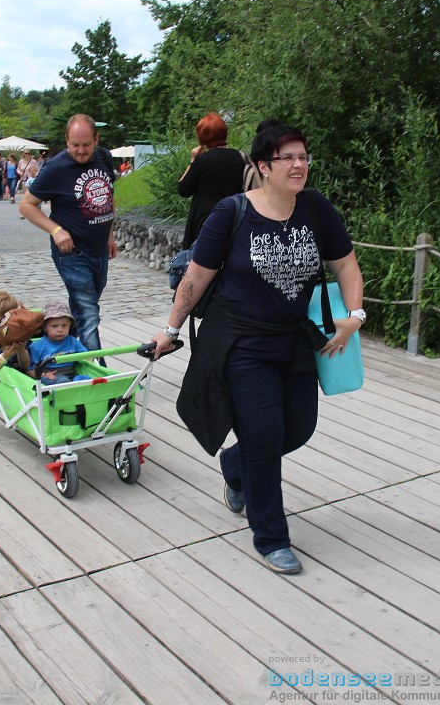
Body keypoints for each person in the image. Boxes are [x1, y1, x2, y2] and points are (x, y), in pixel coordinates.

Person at [149, 121, 366, 576]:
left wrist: (355, 317)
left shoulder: (316, 210)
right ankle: (271, 537)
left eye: (303, 156)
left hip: (296, 337)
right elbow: (197, 277)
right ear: (264, 166)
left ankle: (235, 463)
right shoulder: (231, 213)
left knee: (298, 429)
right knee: (265, 435)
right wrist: (170, 328)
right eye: (287, 157)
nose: (298, 164)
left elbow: (346, 265)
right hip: (241, 340)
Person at [20, 114, 117, 352]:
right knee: (89, 313)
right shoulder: (56, 167)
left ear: (97, 139)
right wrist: (56, 230)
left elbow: (107, 196)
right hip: (72, 253)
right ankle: (97, 374)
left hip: (98, 250)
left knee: (84, 308)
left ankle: (64, 352)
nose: (81, 151)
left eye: (86, 145)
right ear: (66, 140)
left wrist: (110, 234)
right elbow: (27, 205)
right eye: (75, 145)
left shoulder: (104, 157)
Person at [177, 112, 247, 248]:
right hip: (234, 218)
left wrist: (193, 160)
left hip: (205, 221)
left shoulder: (202, 161)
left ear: (202, 137)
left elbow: (183, 189)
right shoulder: (241, 158)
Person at [27, 301, 92, 383]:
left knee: (87, 379)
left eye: (64, 325)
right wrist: (43, 375)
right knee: (61, 382)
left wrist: (90, 360)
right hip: (50, 376)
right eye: (54, 326)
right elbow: (30, 370)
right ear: (45, 328)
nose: (60, 330)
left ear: (69, 325)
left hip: (71, 374)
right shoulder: (37, 346)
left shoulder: (73, 341)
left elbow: (86, 356)